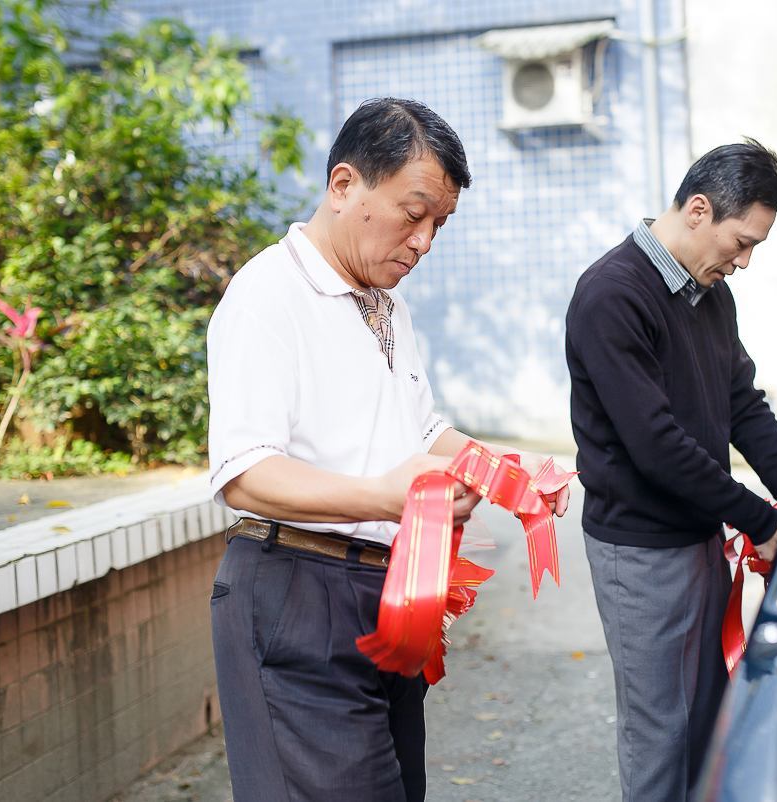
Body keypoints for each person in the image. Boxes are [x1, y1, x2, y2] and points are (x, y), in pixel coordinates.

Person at [206, 97, 568, 802]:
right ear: (344, 186)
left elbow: (423, 431)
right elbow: (245, 473)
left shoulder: (386, 303)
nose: (425, 240)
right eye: (414, 212)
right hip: (297, 591)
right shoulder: (267, 295)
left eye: (440, 224)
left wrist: (510, 476)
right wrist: (385, 497)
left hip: (393, 596)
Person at [565, 139, 777, 802]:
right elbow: (657, 446)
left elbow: (743, 404)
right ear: (698, 210)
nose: (745, 261)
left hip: (700, 538)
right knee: (661, 735)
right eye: (741, 241)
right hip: (640, 553)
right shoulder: (612, 295)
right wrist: (760, 521)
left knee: (706, 723)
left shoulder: (708, 293)